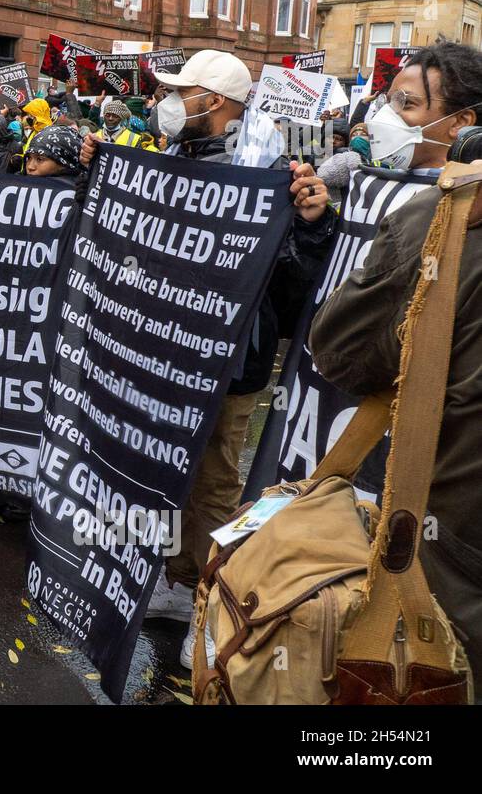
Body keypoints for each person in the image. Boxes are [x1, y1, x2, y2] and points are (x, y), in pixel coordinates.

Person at [81, 50, 337, 669]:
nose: (167, 101)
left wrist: (311, 224)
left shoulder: (268, 171)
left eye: (181, 91)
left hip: (229, 362)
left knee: (216, 478)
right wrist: (100, 174)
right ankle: (169, 579)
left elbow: (295, 280)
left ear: (215, 102)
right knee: (163, 468)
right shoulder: (169, 160)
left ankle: (209, 586)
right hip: (163, 355)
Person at [311, 39, 482, 676]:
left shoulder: (439, 216)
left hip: (457, 543)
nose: (385, 118)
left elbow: (341, 352)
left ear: (464, 128)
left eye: (407, 105)